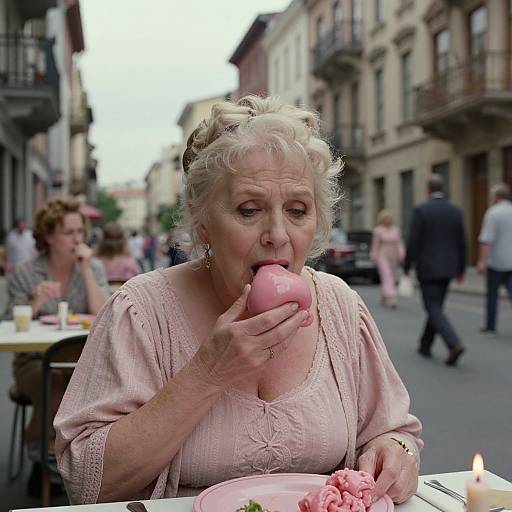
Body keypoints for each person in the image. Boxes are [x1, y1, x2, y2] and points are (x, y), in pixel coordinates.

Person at [55, 96, 422, 504]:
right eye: (249, 210)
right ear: (203, 222)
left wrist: (395, 452)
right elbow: (87, 482)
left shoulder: (340, 306)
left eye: (298, 210)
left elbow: (395, 431)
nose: (278, 234)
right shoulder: (141, 311)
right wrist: (208, 373)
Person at [7, 196, 110, 495]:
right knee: (54, 382)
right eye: (69, 232)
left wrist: (88, 269)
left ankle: (67, 462)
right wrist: (34, 302)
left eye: (81, 232)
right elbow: (8, 324)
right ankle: (45, 457)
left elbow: (105, 316)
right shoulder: (26, 273)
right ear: (49, 236)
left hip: (82, 362)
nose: (77, 239)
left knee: (83, 386)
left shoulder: (94, 267)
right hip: (33, 362)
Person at [404, 174, 466, 366]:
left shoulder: (421, 210)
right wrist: (461, 268)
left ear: (428, 190)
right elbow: (462, 242)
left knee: (432, 306)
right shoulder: (455, 211)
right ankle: (425, 345)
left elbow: (413, 241)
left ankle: (453, 343)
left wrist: (407, 265)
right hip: (448, 267)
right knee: (436, 306)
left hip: (428, 268)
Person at [477, 183, 512, 334]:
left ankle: (490, 326)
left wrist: (482, 261)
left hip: (496, 262)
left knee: (492, 296)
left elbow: (487, 240)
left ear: (497, 197)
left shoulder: (493, 213)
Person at [371, 210, 405, 308]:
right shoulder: (378, 230)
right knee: (387, 275)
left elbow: (399, 244)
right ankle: (392, 297)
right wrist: (374, 257)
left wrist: (402, 255)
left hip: (393, 256)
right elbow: (375, 245)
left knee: (392, 276)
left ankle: (384, 295)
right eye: (386, 218)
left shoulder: (395, 230)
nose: (388, 220)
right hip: (383, 255)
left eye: (389, 218)